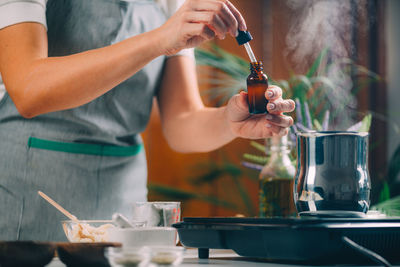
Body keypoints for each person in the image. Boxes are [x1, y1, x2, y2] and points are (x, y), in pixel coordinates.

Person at [0, 0, 295, 241]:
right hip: (32, 195)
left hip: (122, 202)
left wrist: (230, 122)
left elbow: (182, 123)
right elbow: (29, 89)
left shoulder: (169, 3)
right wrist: (159, 39)